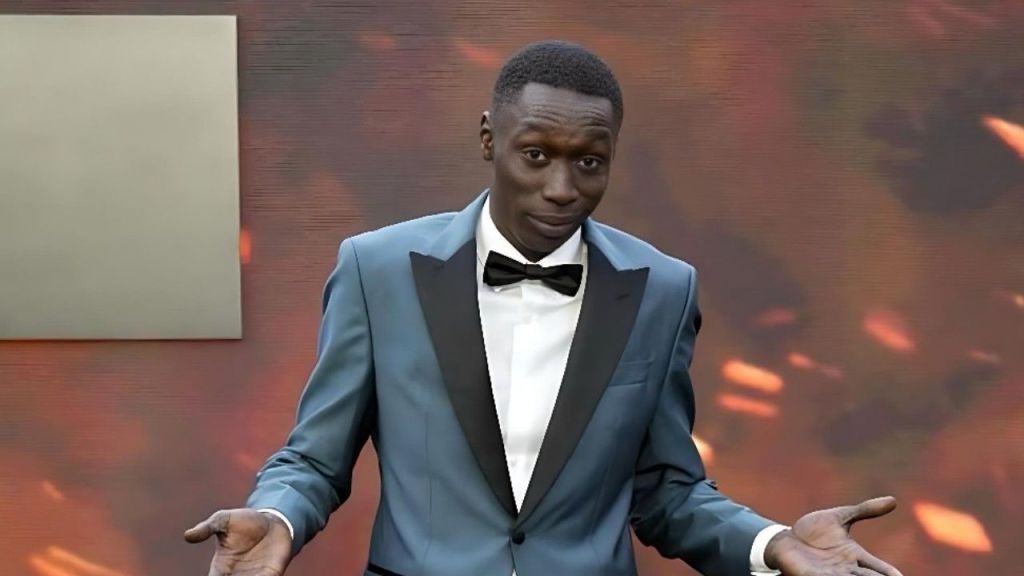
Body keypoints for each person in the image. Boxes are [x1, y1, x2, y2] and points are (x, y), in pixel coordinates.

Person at [185, 40, 903, 576]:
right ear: (489, 139)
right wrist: (277, 516)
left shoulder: (662, 288)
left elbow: (666, 490)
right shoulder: (378, 270)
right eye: (535, 155)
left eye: (588, 161)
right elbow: (316, 458)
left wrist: (773, 545)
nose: (562, 188)